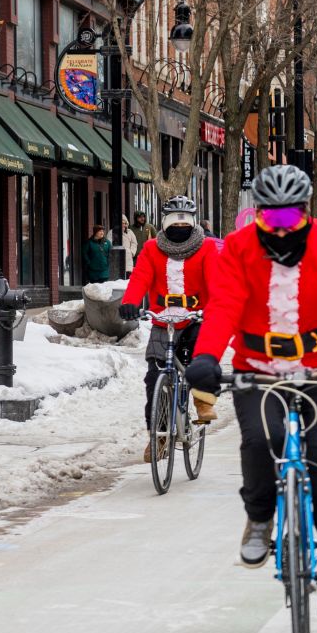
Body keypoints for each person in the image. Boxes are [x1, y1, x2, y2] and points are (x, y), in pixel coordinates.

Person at [184, 165, 317, 609]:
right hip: (258, 369)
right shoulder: (239, 248)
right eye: (271, 218)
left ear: (304, 213)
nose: (280, 227)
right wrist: (205, 357)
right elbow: (224, 305)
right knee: (263, 439)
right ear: (258, 214)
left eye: (289, 218)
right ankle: (259, 518)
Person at [119, 196, 221, 461]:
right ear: (164, 223)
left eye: (184, 220)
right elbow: (140, 277)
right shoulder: (152, 248)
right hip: (163, 319)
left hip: (197, 316)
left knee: (199, 361)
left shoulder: (207, 248)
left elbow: (216, 281)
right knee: (154, 377)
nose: (179, 225)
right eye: (173, 220)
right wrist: (130, 302)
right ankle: (159, 436)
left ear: (194, 222)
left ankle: (202, 402)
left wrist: (215, 307)